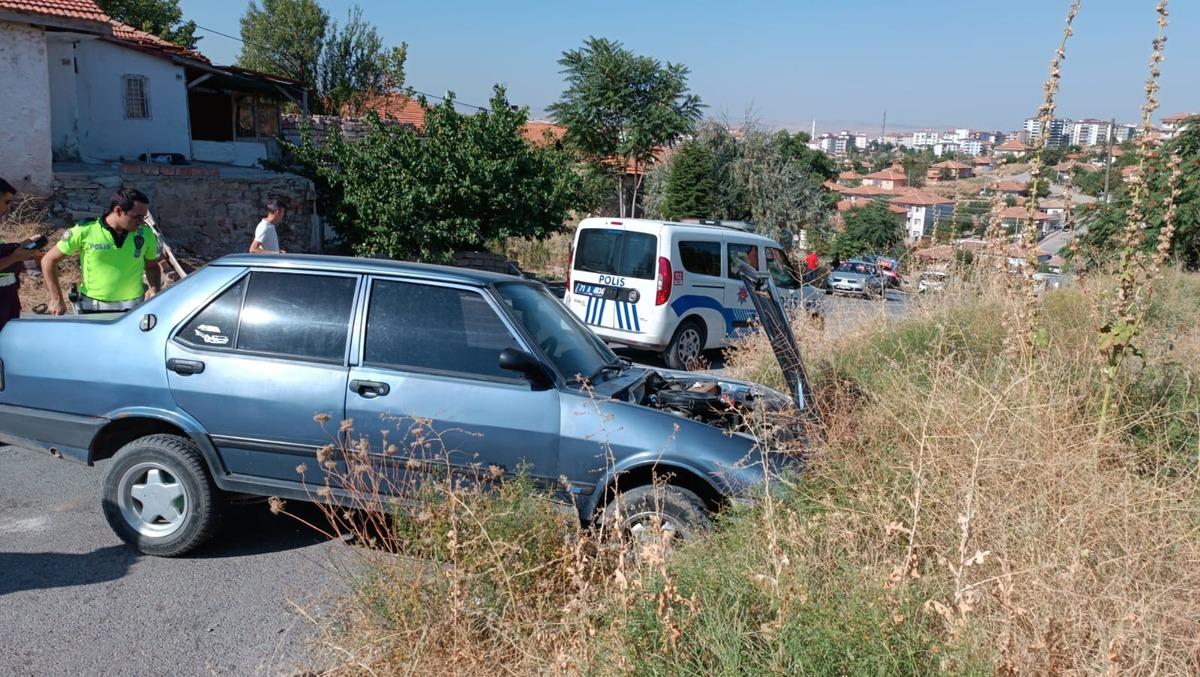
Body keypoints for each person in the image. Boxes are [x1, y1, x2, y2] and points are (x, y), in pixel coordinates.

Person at [42, 187, 162, 315]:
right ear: (118, 211)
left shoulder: (146, 234)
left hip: (133, 311)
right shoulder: (86, 230)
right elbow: (48, 260)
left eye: (144, 217)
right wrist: (56, 298)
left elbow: (152, 266)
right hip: (91, 310)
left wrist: (154, 287)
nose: (141, 222)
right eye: (137, 217)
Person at [0, 178, 46, 330]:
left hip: (7, 298)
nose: (7, 208)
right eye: (6, 202)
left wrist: (21, 248)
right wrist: (15, 257)